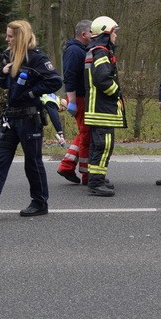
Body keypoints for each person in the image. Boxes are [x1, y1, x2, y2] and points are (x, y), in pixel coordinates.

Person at [0, 20, 62, 219]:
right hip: (10, 118)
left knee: (32, 163)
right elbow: (2, 84)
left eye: (10, 36)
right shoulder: (7, 56)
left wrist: (31, 94)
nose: (6, 39)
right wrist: (2, 73)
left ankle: (39, 202)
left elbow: (55, 80)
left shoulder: (36, 59)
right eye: (7, 35)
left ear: (20, 37)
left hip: (29, 118)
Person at [83, 16, 125, 196]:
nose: (116, 35)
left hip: (97, 108)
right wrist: (117, 92)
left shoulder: (95, 50)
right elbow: (102, 79)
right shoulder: (101, 52)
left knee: (97, 145)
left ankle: (96, 177)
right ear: (106, 32)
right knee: (103, 145)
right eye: (114, 32)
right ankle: (96, 183)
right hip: (102, 109)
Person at [57, 20, 92, 184]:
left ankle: (67, 166)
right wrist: (71, 100)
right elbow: (69, 76)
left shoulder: (80, 50)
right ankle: (86, 174)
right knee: (86, 134)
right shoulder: (74, 51)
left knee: (85, 132)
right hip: (78, 98)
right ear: (84, 34)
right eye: (92, 32)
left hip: (81, 97)